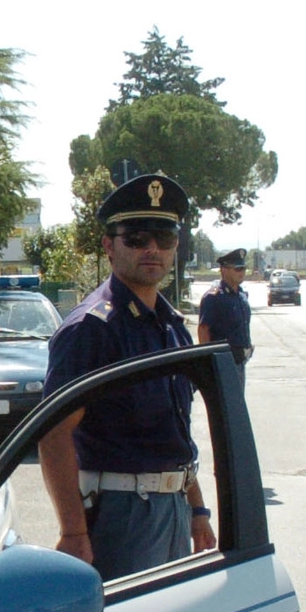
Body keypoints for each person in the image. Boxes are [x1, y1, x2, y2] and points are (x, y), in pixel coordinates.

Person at [38, 173, 216, 582]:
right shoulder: (92, 328)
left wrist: (196, 508)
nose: (152, 248)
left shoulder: (170, 326)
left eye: (164, 237)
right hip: (122, 512)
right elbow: (53, 434)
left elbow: (174, 434)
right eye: (135, 238)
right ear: (109, 246)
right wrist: (73, 532)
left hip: (171, 508)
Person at [197, 247, 254, 387]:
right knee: (226, 406)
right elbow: (204, 329)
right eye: (238, 269)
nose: (242, 273)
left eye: (244, 268)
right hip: (223, 363)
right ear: (224, 269)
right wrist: (208, 362)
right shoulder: (214, 297)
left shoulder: (241, 295)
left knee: (237, 405)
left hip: (240, 361)